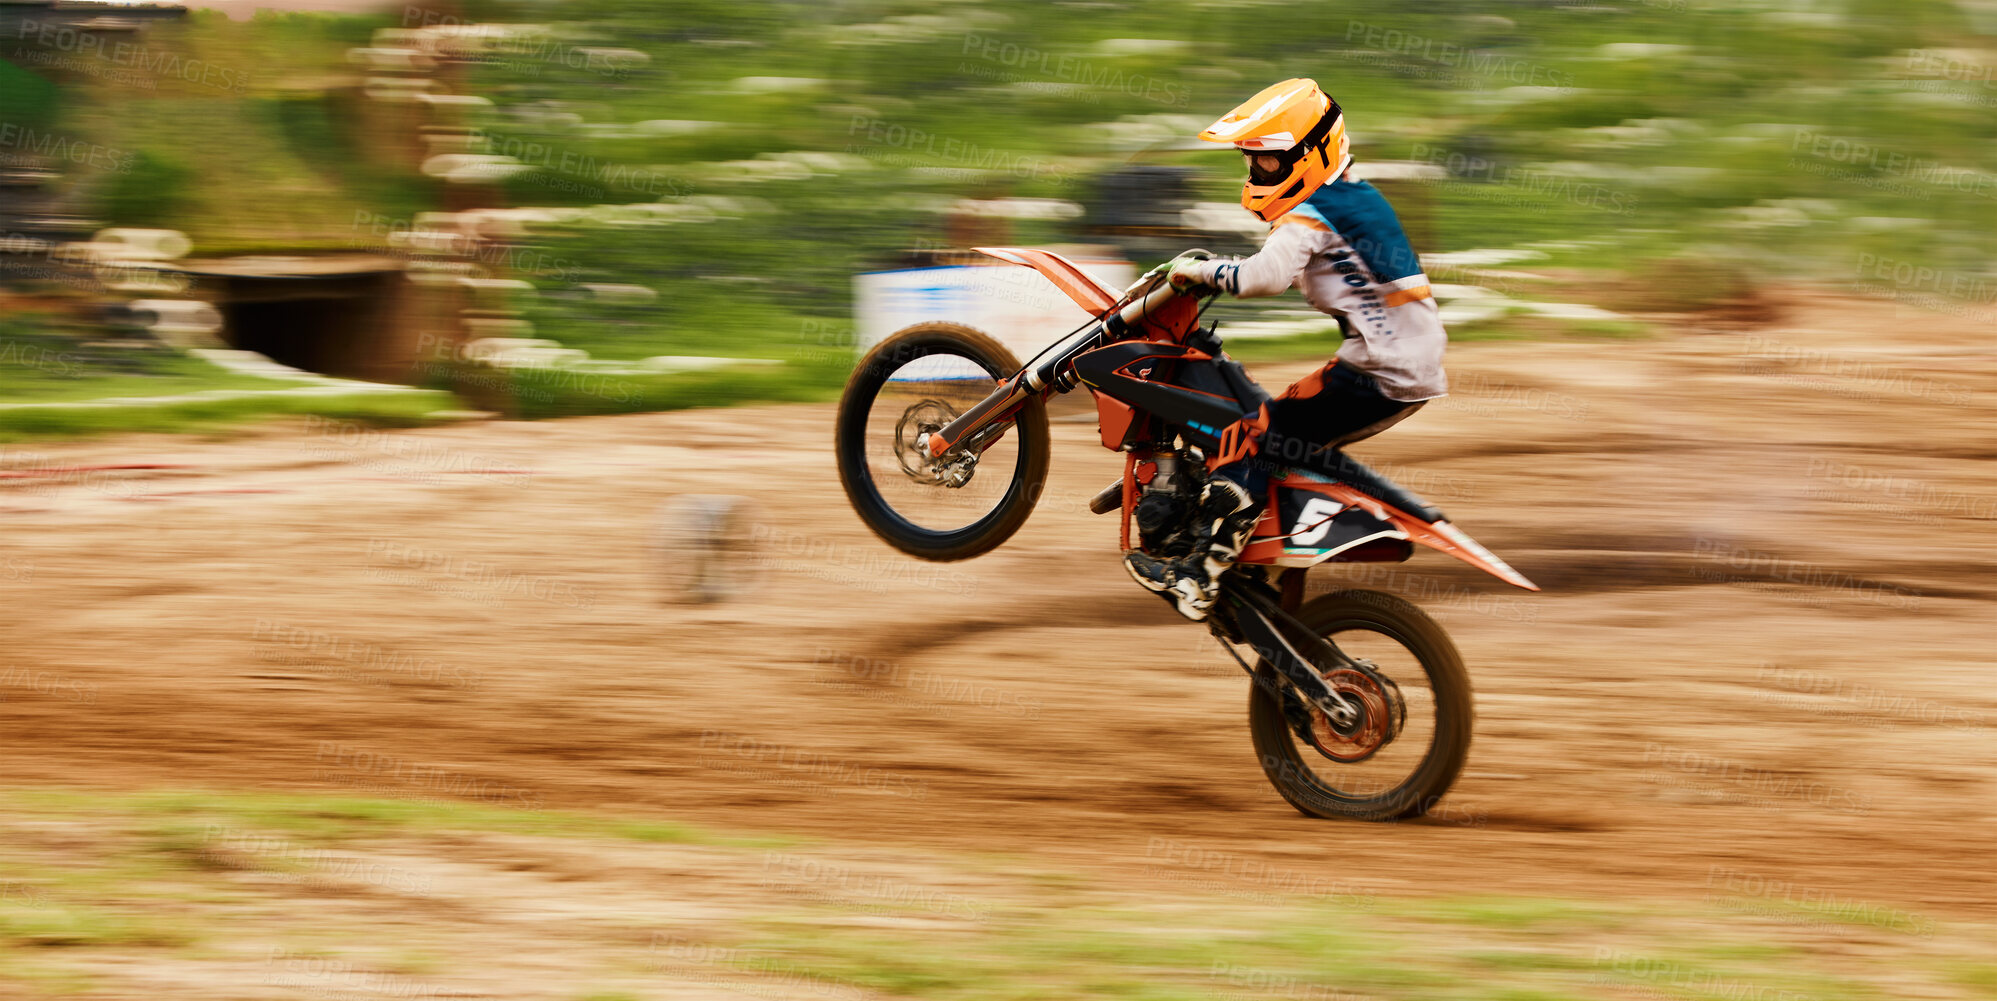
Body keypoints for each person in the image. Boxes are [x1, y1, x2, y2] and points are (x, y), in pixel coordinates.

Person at [1124, 78, 1448, 621]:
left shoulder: (1313, 210)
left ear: (1312, 155)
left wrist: (1193, 272)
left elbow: (1264, 276)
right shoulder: (1345, 196)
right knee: (1288, 442)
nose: (1257, 175)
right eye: (1253, 163)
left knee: (1252, 434)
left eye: (1268, 164)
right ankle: (1267, 556)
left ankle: (1198, 574)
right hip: (1394, 363)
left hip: (1381, 369)